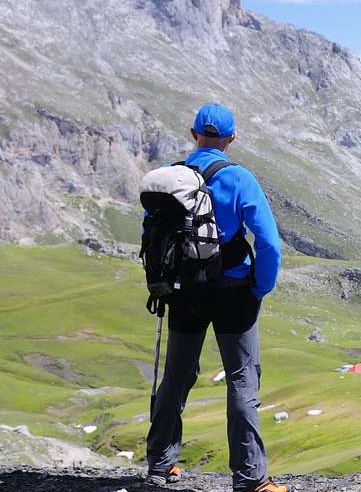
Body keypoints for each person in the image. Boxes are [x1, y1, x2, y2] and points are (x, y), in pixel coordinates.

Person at [145, 103, 287, 492]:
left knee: (176, 376)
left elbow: (152, 232)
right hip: (235, 293)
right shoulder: (239, 178)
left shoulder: (173, 178)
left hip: (185, 292)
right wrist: (260, 286)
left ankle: (160, 465)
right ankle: (251, 479)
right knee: (242, 381)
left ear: (193, 135)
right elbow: (270, 243)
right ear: (231, 138)